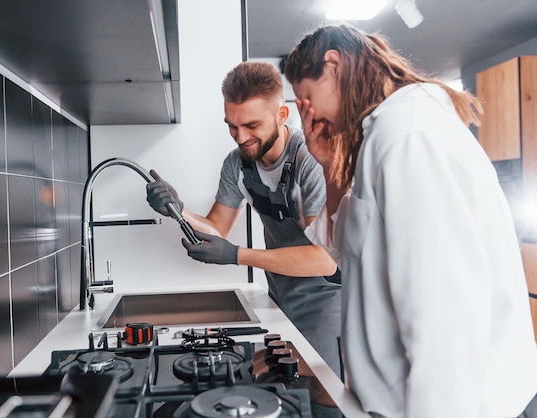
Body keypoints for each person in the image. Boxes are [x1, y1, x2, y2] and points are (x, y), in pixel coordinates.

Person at [283, 24, 537, 418]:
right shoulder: (384, 136)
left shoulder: (409, 136)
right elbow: (345, 243)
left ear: (333, 65)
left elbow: (443, 320)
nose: (308, 115)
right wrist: (329, 162)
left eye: (306, 99)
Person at [146, 61, 343, 387]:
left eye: (251, 125)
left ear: (282, 115)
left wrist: (238, 254)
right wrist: (178, 209)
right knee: (288, 399)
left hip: (327, 306)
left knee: (323, 402)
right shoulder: (238, 164)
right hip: (281, 300)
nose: (241, 137)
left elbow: (323, 258)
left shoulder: (310, 161)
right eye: (232, 126)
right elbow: (216, 228)